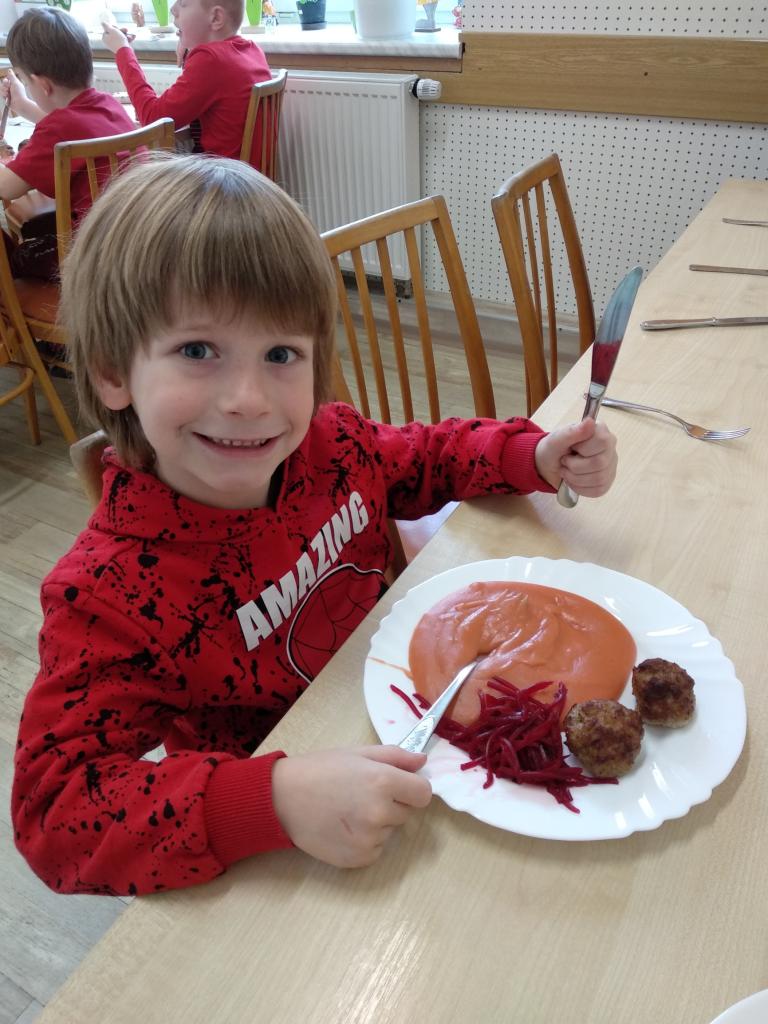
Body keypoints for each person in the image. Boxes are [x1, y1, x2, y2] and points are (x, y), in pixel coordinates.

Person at [12, 156, 619, 897]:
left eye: (281, 354)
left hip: (419, 727)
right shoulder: (108, 597)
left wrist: (533, 455)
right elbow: (53, 814)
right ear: (112, 372)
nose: (248, 398)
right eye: (197, 351)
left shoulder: (331, 446)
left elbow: (427, 457)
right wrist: (269, 799)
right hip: (302, 826)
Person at [0, 8, 136, 281]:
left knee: (21, 254)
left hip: (99, 255)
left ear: (42, 85)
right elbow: (71, 128)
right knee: (37, 226)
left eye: (26, 82)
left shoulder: (59, 130)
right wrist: (23, 105)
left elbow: (6, 187)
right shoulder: (108, 105)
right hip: (134, 236)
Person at [101, 0, 271, 162]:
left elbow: (154, 120)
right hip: (248, 175)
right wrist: (191, 44)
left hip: (222, 177)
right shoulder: (252, 50)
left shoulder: (211, 60)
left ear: (216, 18)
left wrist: (123, 51)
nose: (173, 10)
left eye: (183, 3)